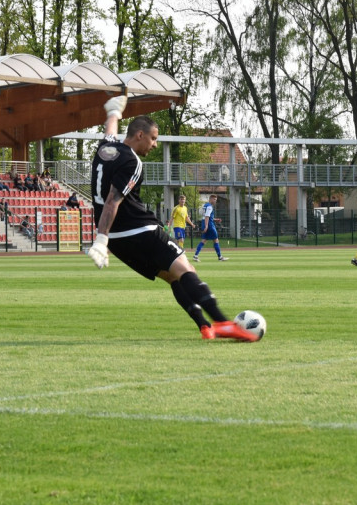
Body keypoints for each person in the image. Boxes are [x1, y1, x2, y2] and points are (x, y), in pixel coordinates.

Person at [87, 96, 257, 342]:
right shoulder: (132, 162)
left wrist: (113, 110)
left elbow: (110, 128)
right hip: (139, 230)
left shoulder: (105, 148)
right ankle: (223, 323)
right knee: (186, 270)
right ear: (139, 135)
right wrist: (99, 241)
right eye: (153, 138)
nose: (155, 145)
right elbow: (114, 200)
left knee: (173, 276)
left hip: (117, 240)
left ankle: (204, 326)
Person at [193, 194, 228, 262]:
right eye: (214, 199)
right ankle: (220, 257)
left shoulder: (204, 205)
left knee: (204, 240)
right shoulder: (209, 206)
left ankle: (195, 256)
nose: (215, 201)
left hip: (205, 223)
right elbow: (207, 216)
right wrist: (207, 226)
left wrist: (214, 219)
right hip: (209, 225)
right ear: (211, 199)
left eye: (216, 200)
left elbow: (203, 215)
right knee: (216, 240)